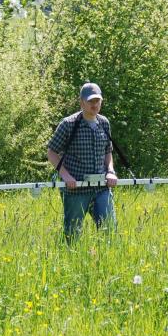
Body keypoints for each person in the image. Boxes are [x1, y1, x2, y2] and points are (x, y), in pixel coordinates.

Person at [47, 83, 118, 242]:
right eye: (91, 101)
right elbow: (51, 152)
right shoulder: (68, 124)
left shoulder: (104, 123)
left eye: (98, 101)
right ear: (81, 102)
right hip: (76, 190)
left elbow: (108, 151)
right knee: (72, 235)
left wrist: (111, 171)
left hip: (101, 188)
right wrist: (65, 176)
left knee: (110, 232)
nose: (95, 104)